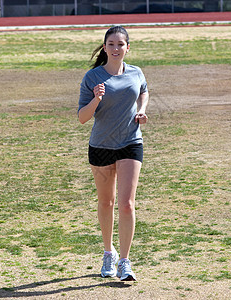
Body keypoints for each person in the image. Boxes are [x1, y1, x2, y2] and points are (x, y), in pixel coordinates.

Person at [78, 26, 149, 281]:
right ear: (104, 47)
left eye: (121, 44)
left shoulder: (136, 72)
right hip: (101, 146)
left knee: (127, 204)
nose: (116, 48)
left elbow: (143, 90)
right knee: (106, 202)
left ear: (127, 47)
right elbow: (82, 118)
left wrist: (141, 110)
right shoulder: (92, 77)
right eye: (111, 44)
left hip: (131, 142)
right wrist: (96, 99)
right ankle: (108, 253)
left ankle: (125, 262)